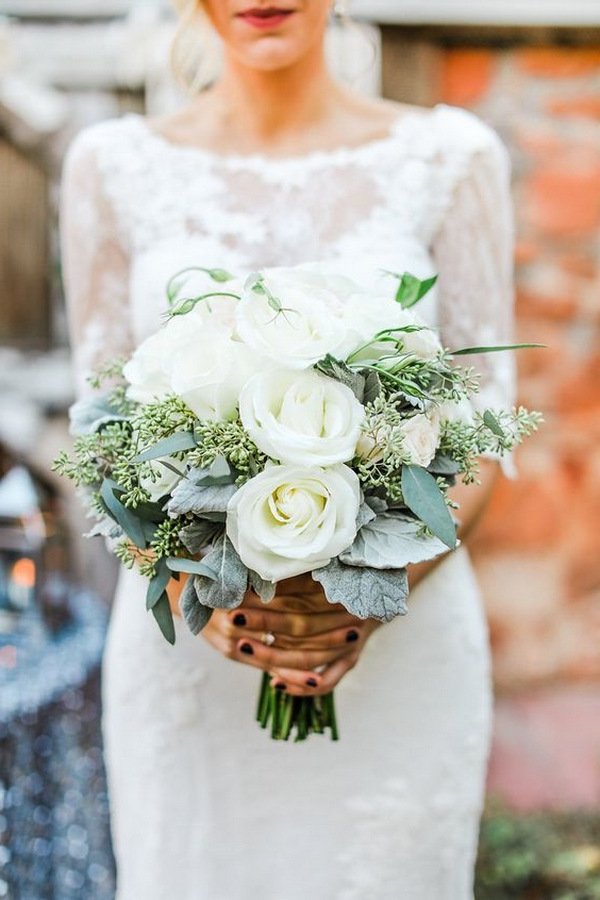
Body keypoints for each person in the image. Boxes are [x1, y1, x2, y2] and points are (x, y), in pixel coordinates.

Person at [59, 2, 516, 897]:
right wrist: (206, 594)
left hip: (401, 646)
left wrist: (358, 603)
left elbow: (490, 426)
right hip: (192, 652)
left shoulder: (450, 158)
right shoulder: (110, 166)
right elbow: (101, 435)